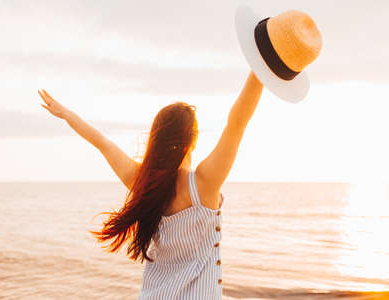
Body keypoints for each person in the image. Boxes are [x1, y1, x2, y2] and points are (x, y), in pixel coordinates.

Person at [37, 70, 264, 299]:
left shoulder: (144, 184)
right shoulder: (204, 184)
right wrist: (261, 68)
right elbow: (237, 122)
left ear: (157, 138)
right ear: (193, 139)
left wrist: (66, 114)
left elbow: (102, 143)